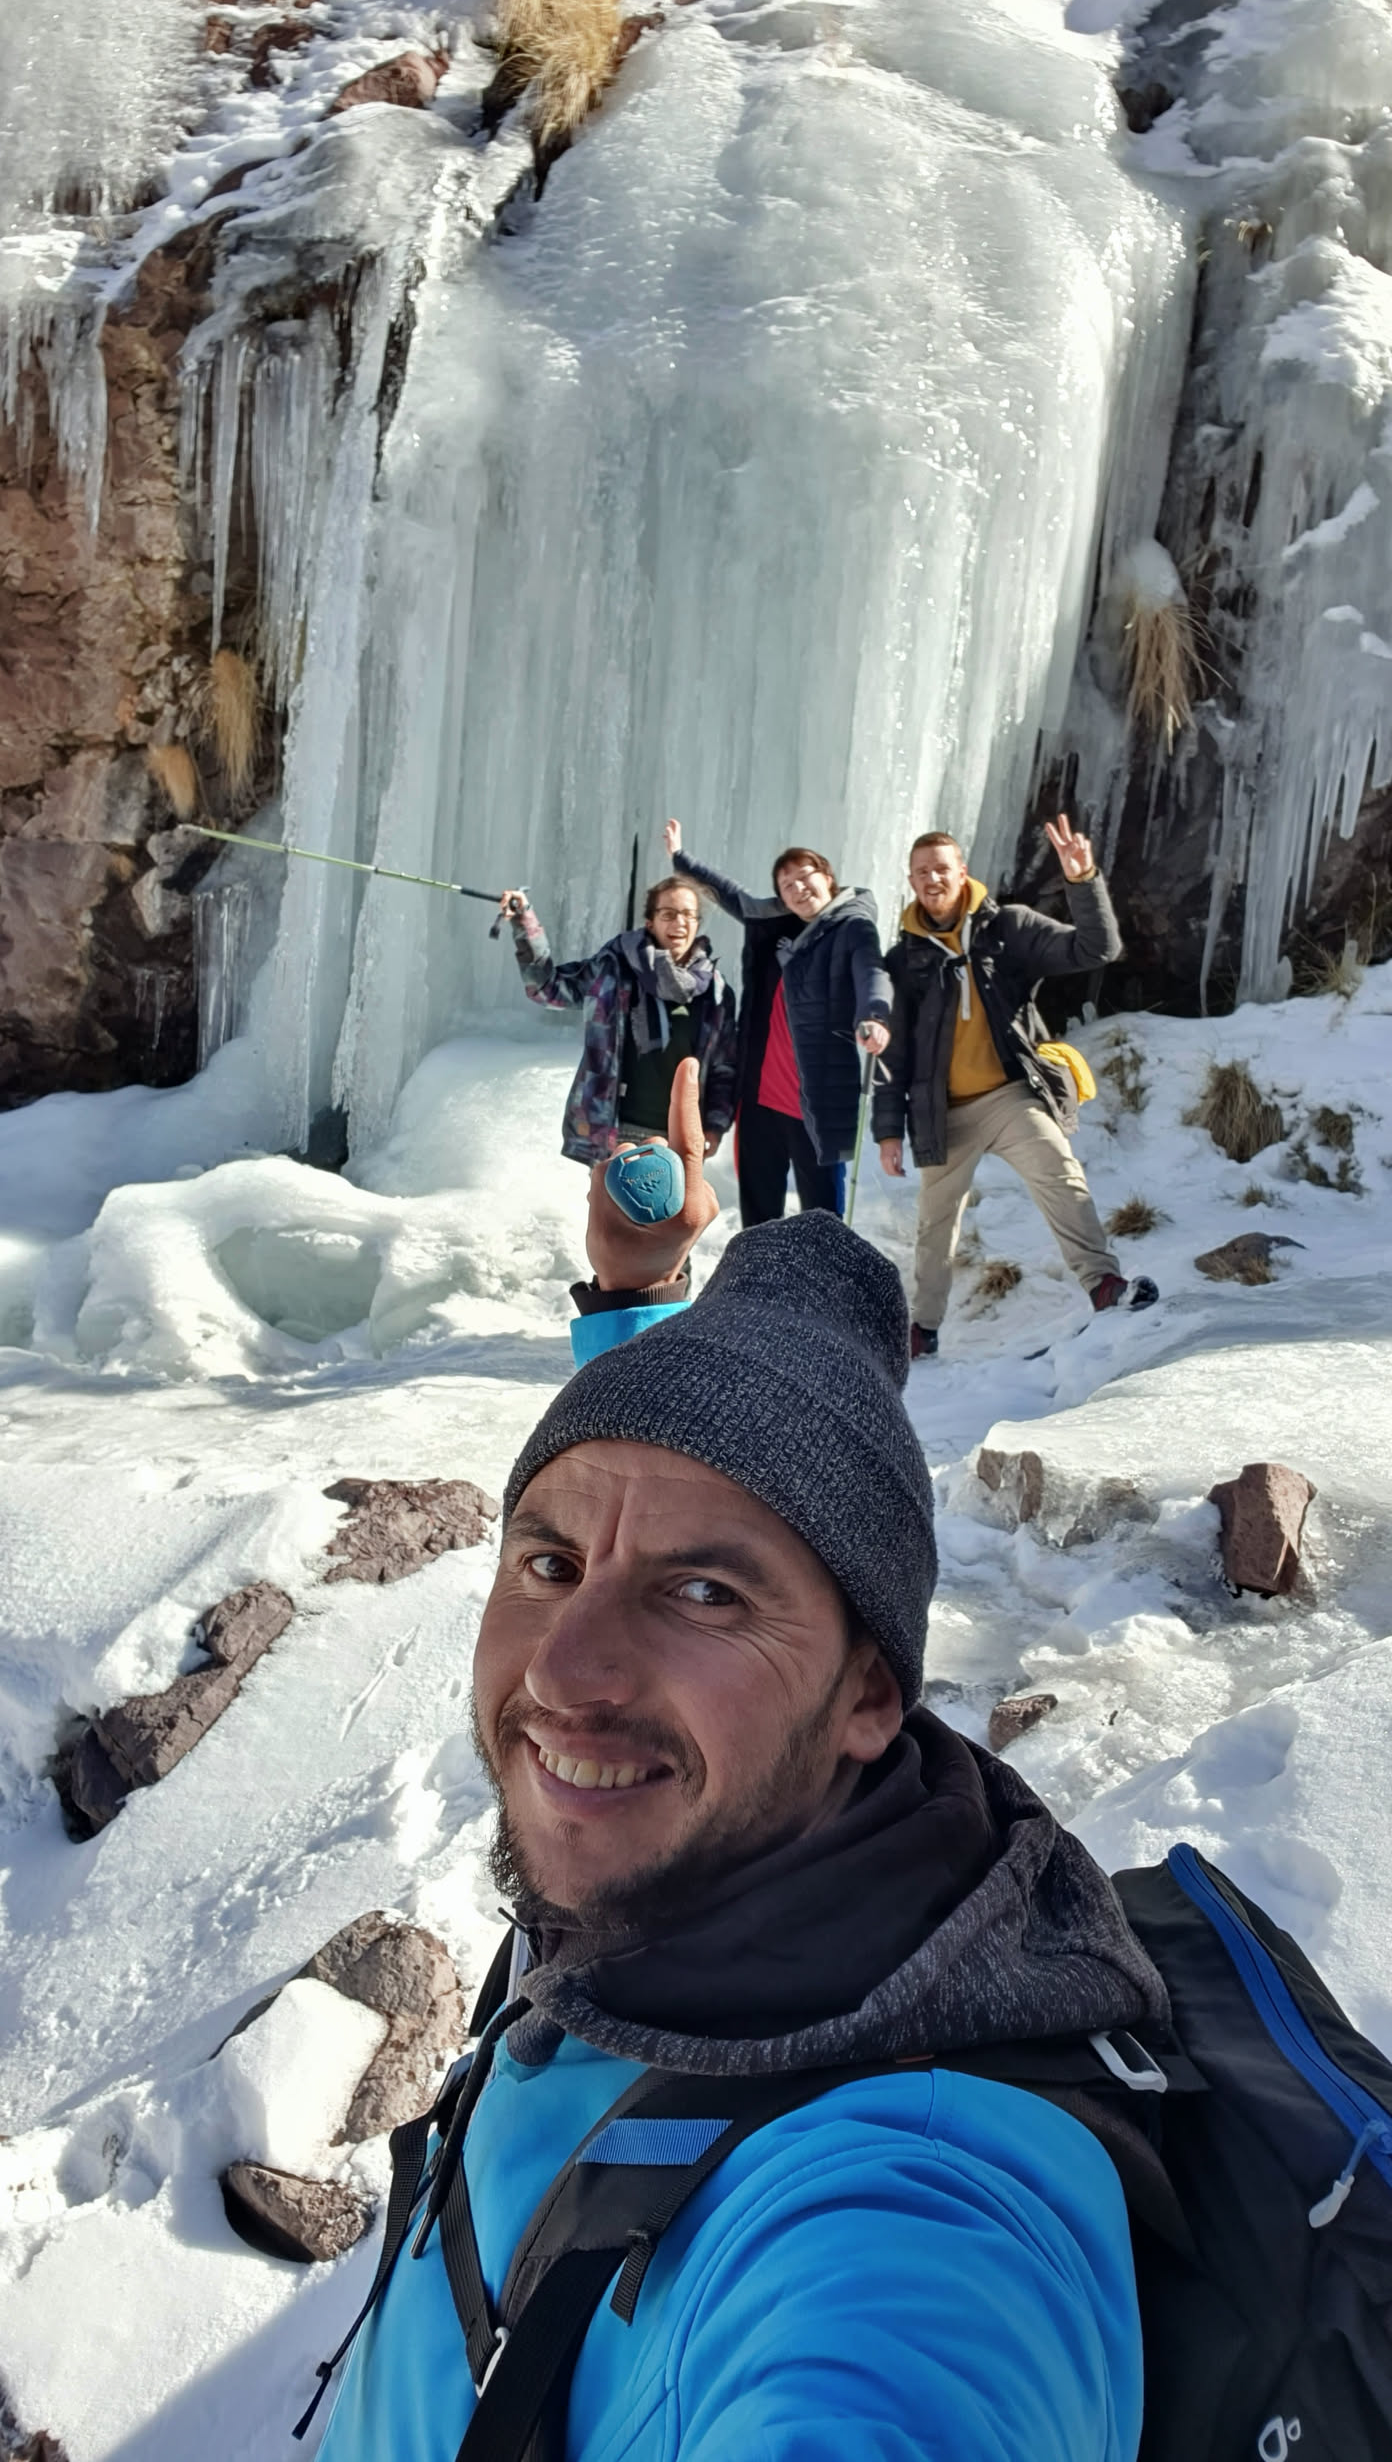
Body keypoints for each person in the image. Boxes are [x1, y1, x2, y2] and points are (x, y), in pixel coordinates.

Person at [312, 1059, 1164, 2462]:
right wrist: (640, 1303)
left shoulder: (906, 2212)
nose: (565, 1674)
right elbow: (665, 1489)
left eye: (705, 1594)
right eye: (548, 1564)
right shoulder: (719, 1824)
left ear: (870, 1693)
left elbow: (889, 2381)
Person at [874, 814, 1157, 1357]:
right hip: (942, 1111)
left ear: (963, 872)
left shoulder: (1007, 928)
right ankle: (923, 1329)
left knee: (1060, 1171)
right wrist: (889, 1131)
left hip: (1009, 1094)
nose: (932, 879)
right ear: (910, 882)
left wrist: (1082, 880)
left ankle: (1102, 1283)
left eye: (941, 868)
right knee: (935, 1223)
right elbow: (895, 1054)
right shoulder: (902, 961)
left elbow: (1095, 950)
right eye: (922, 872)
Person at [663, 818, 890, 1228]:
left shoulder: (854, 927)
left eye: (805, 877)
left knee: (823, 1221)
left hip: (817, 1106)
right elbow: (730, 894)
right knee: (758, 1218)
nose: (798, 888)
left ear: (828, 878)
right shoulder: (774, 926)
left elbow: (871, 971)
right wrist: (681, 859)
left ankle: (822, 1274)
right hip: (759, 1102)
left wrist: (875, 1015)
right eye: (787, 884)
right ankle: (757, 1272)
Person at [498, 874, 737, 1165]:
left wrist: (714, 1126)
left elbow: (723, 1067)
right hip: (616, 1131)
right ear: (650, 922)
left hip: (681, 1136)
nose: (679, 922)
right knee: (612, 1198)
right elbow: (548, 988)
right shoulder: (615, 969)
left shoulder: (715, 992)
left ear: (698, 923)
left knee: (675, 1199)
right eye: (668, 914)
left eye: (688, 914)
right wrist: (525, 922)